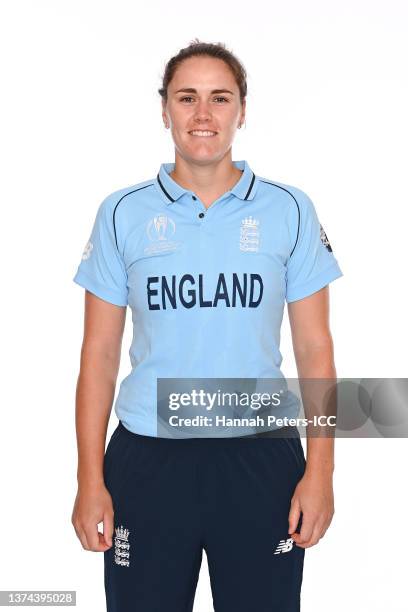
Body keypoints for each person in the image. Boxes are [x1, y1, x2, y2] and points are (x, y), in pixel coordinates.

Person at [71, 39, 343, 612]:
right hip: (147, 460)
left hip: (260, 461)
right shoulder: (123, 212)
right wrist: (89, 479)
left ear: (242, 110)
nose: (202, 115)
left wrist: (321, 473)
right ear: (164, 108)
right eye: (186, 97)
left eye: (219, 98)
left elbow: (316, 352)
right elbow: (97, 355)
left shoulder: (289, 209)